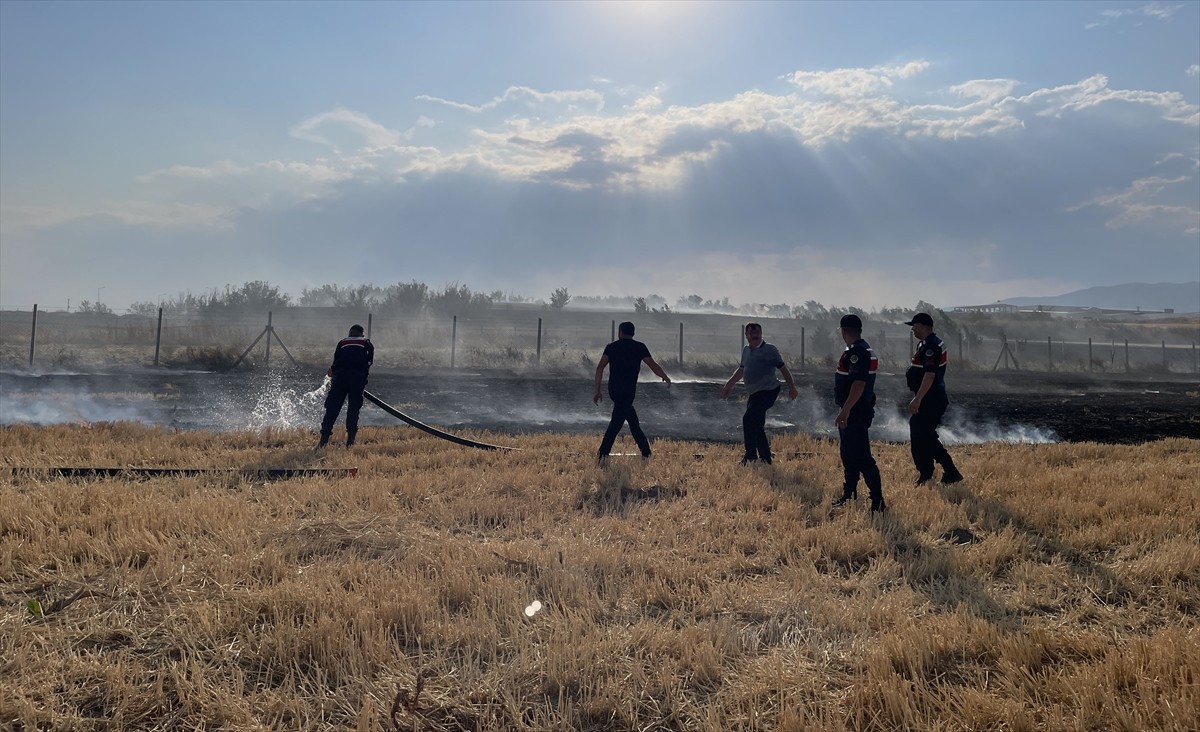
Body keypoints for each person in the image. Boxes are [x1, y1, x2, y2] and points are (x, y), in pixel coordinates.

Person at [721, 322, 798, 465]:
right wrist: (728, 386)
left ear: (761, 334)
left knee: (748, 419)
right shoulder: (746, 350)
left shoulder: (770, 350)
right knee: (756, 425)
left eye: (757, 333)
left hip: (768, 391)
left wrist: (792, 387)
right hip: (754, 393)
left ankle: (750, 456)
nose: (754, 336)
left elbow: (783, 369)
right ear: (746, 335)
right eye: (751, 333)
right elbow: (741, 370)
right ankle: (765, 458)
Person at [593, 321, 671, 462]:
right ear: (633, 333)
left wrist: (597, 390)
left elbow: (599, 368)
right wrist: (664, 376)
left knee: (632, 422)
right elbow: (653, 365)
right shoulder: (639, 347)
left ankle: (646, 453)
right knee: (616, 424)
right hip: (629, 391)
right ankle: (602, 455)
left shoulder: (611, 347)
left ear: (620, 332)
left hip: (614, 390)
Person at [832, 314, 885, 513]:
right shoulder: (860, 349)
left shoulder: (858, 352)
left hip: (856, 411)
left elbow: (859, 383)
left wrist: (846, 410)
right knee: (848, 454)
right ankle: (849, 493)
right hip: (853, 409)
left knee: (862, 456)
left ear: (844, 331)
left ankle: (878, 501)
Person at [905, 312, 963, 485]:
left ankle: (941, 471)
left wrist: (918, 399)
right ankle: (933, 471)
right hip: (931, 398)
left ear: (923, 326)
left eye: (914, 326)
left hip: (930, 399)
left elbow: (929, 375)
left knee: (923, 435)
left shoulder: (930, 347)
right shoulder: (928, 343)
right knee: (923, 434)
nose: (912, 330)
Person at [318, 324, 374, 449]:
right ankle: (350, 442)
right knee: (353, 409)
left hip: (340, 379)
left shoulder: (342, 342)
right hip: (357, 379)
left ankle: (323, 441)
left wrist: (333, 370)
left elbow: (335, 362)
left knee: (332, 409)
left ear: (350, 333)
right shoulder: (366, 343)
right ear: (362, 333)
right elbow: (369, 362)